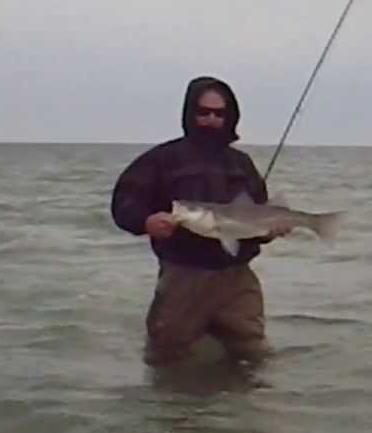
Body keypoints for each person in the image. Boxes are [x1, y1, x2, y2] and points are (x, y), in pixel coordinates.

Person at [110, 75, 289, 367]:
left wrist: (270, 231)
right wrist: (145, 221)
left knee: (254, 359)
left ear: (230, 117)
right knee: (166, 360)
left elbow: (255, 218)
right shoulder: (162, 159)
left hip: (238, 279)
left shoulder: (241, 164)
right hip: (184, 277)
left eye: (219, 114)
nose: (210, 119)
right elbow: (124, 203)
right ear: (190, 114)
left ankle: (241, 413)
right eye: (203, 112)